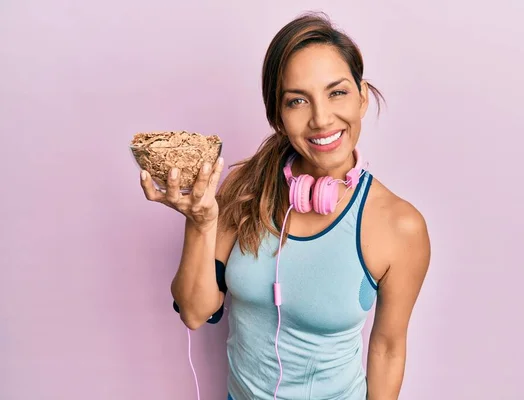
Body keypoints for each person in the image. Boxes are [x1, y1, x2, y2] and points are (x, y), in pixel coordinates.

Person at [140, 11, 431, 400]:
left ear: (362, 98)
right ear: (278, 116)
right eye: (297, 101)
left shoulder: (400, 227)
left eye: (337, 92)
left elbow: (388, 349)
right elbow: (194, 312)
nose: (322, 118)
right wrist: (201, 223)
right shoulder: (243, 191)